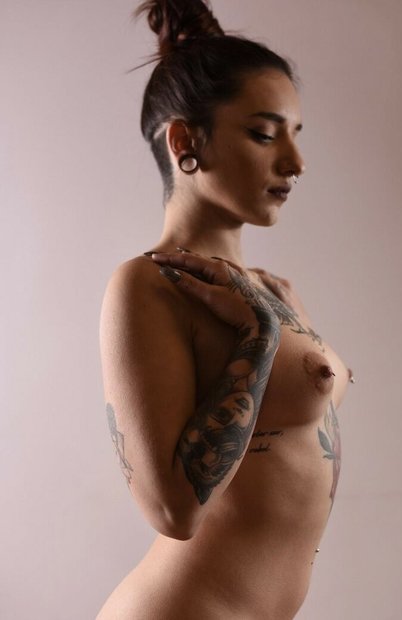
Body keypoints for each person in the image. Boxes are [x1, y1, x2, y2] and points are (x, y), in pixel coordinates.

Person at [97, 1, 354, 618]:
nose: (295, 163)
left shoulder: (272, 291)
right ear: (185, 141)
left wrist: (266, 318)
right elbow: (174, 512)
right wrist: (258, 339)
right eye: (264, 134)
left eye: (295, 135)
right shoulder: (150, 286)